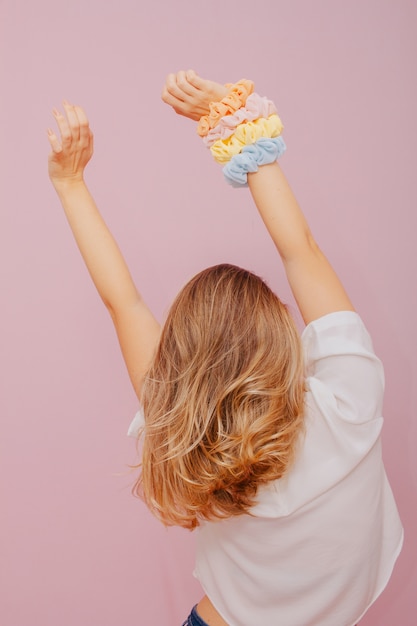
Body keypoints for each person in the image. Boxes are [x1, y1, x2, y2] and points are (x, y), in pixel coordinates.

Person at [47, 71, 403, 626]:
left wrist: (70, 184)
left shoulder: (176, 424)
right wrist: (234, 123)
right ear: (282, 338)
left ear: (178, 361)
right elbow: (300, 250)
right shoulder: (348, 403)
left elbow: (125, 304)